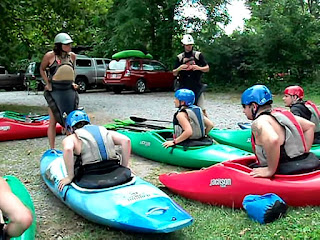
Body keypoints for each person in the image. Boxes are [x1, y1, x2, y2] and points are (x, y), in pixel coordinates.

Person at [241, 85, 320, 178]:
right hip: (305, 163)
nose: (243, 111)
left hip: (286, 171)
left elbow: (272, 139)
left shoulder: (259, 122)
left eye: (244, 106)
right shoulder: (281, 115)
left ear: (254, 106)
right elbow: (310, 126)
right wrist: (303, 152)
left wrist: (270, 170)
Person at [58, 110, 131, 191]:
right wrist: (124, 166)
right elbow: (126, 140)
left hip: (90, 177)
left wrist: (69, 177)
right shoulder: (105, 131)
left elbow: (68, 149)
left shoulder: (72, 138)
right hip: (117, 171)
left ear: (69, 128)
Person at [40, 32, 79, 149]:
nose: (69, 46)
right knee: (53, 121)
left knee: (70, 120)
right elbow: (42, 69)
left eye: (70, 44)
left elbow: (71, 70)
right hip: (55, 91)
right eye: (67, 44)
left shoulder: (72, 56)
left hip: (68, 90)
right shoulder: (50, 56)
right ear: (59, 45)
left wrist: (73, 82)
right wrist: (48, 83)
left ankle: (70, 147)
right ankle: (52, 149)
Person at [172, 34, 210, 116]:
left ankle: (206, 126)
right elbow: (174, 73)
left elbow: (207, 68)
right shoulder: (180, 57)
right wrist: (180, 68)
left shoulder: (198, 55)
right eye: (187, 45)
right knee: (183, 110)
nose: (189, 47)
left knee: (201, 109)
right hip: (184, 87)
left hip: (197, 86)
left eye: (190, 45)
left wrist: (198, 68)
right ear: (184, 45)